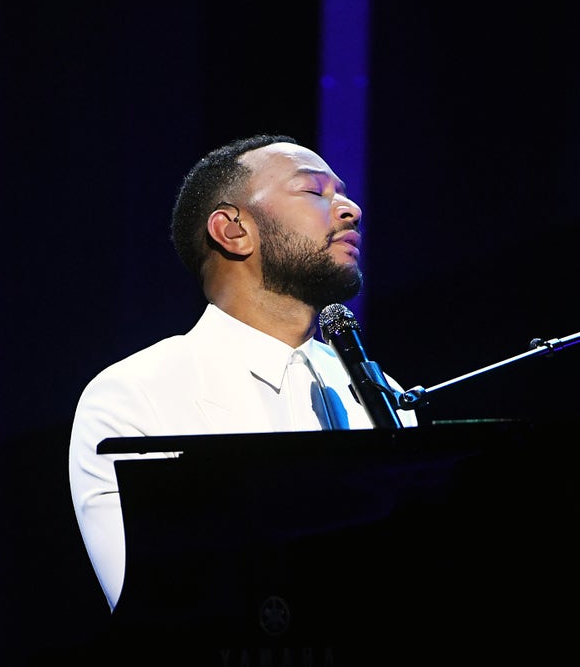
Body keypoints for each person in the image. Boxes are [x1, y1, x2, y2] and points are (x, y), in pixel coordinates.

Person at [67, 134, 419, 612]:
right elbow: (160, 615)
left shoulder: (381, 396)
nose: (350, 208)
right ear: (233, 230)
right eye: (314, 191)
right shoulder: (134, 395)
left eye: (341, 192)